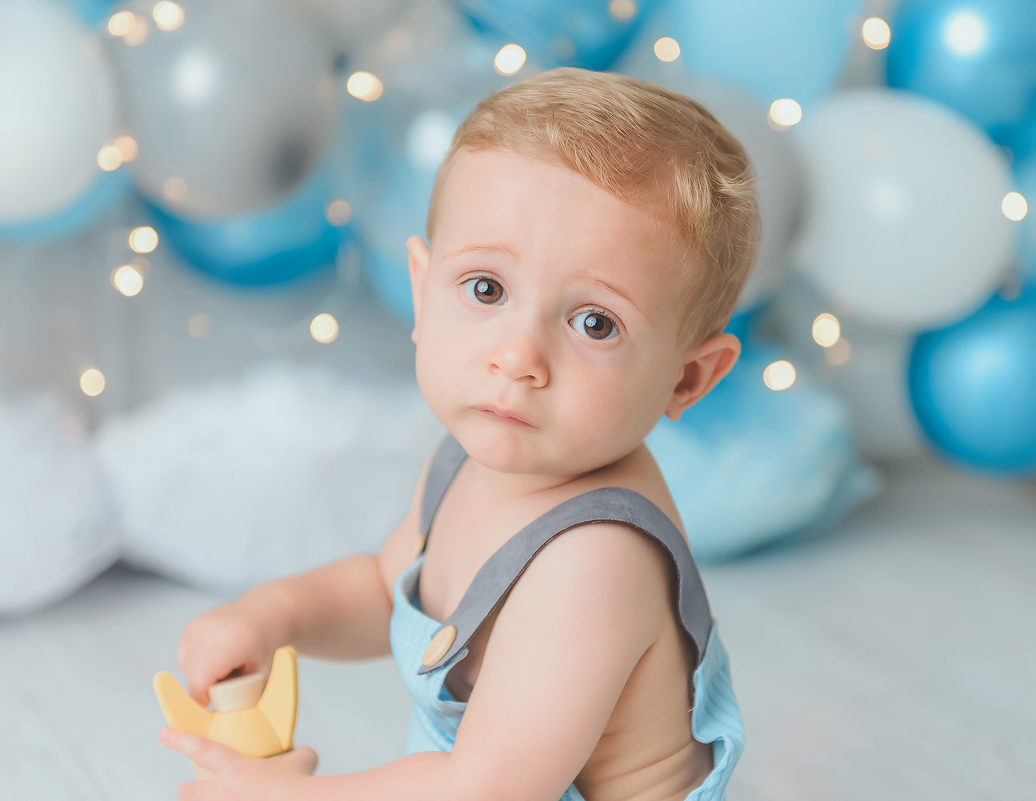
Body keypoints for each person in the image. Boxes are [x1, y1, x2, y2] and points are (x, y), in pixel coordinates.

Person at [160, 66, 760, 801]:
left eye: (594, 322)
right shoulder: (469, 463)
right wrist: (271, 615)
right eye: (486, 288)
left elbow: (482, 789)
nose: (518, 356)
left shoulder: (596, 560)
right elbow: (385, 588)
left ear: (686, 379)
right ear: (421, 290)